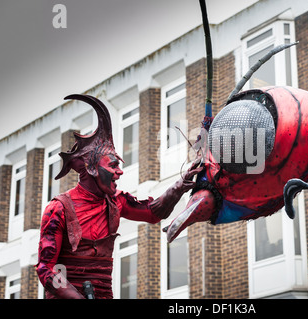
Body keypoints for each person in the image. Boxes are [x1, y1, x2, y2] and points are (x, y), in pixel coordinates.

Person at [35, 94, 202, 299]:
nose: (120, 172)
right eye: (113, 165)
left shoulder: (116, 201)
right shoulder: (58, 209)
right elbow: (46, 269)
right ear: (92, 168)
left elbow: (153, 213)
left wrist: (180, 186)